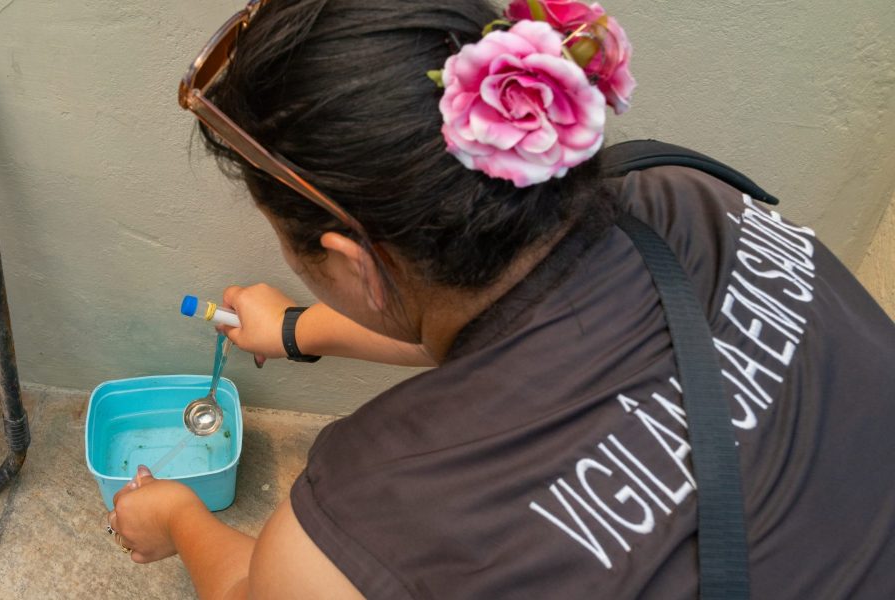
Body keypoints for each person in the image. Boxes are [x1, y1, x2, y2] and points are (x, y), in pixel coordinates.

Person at [107, 0, 895, 597]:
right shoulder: (678, 193)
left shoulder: (383, 511)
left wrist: (179, 518)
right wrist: (297, 327)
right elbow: (502, 311)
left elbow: (261, 588)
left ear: (352, 259)